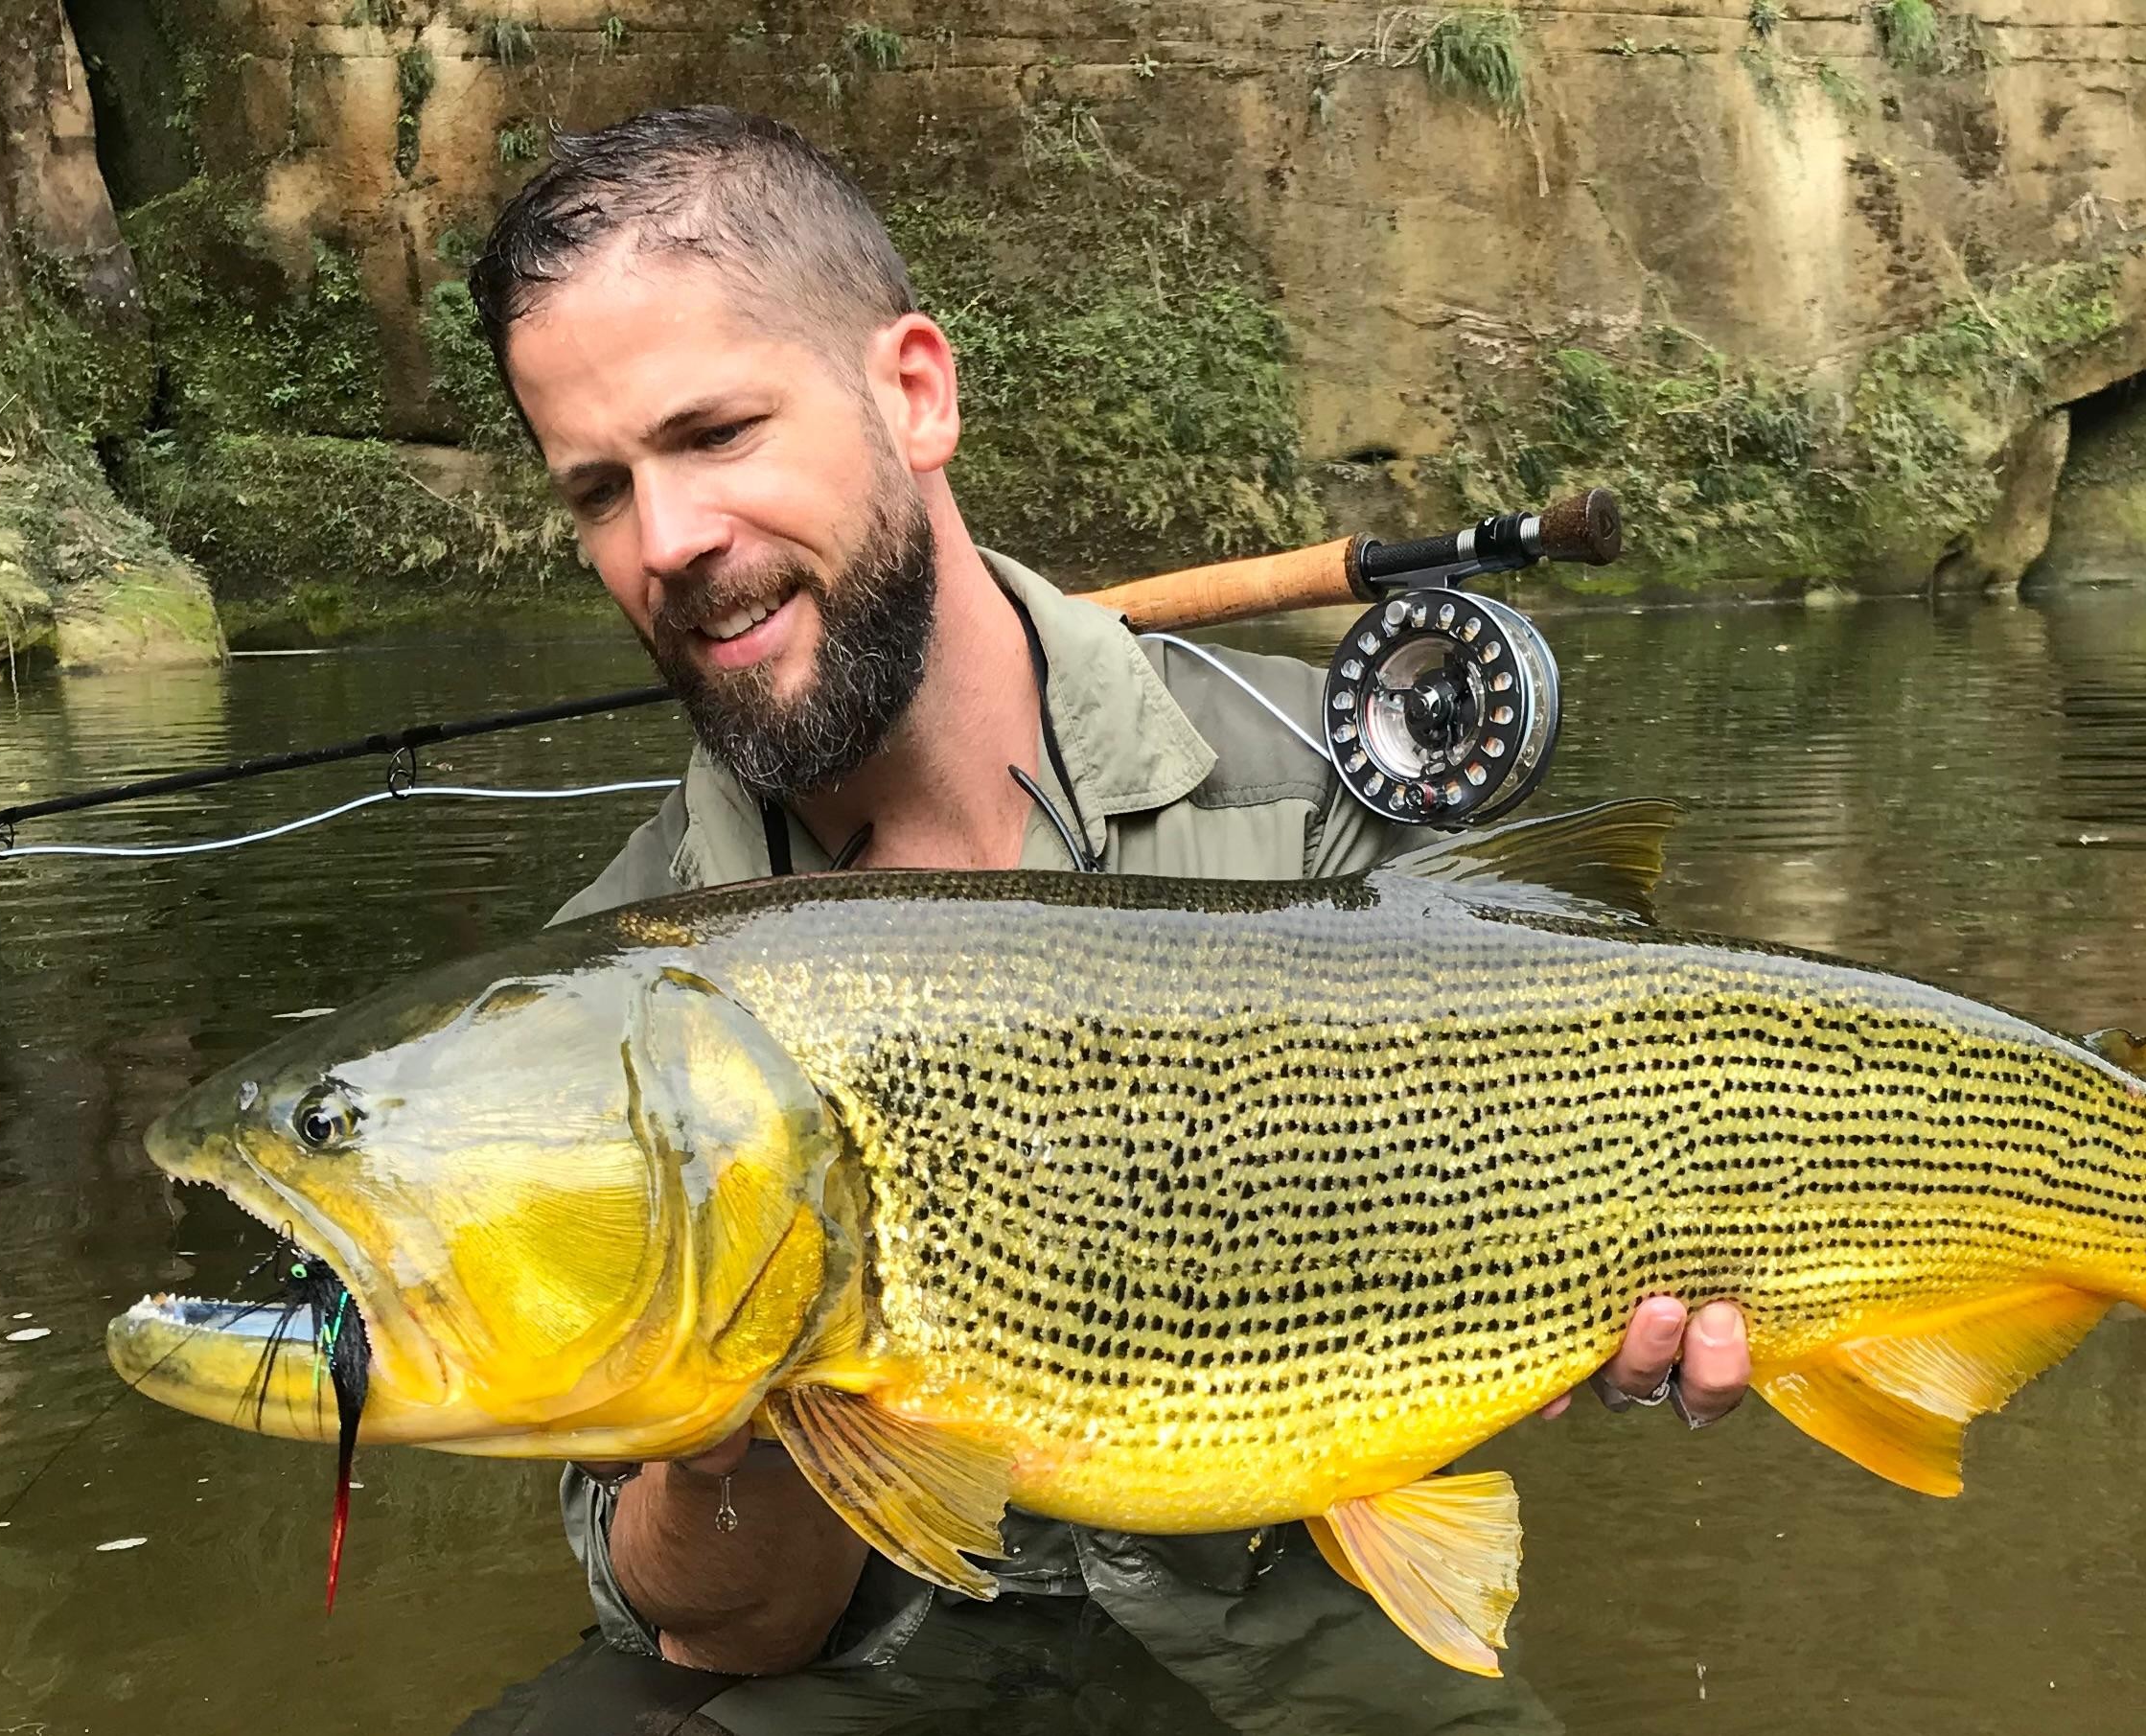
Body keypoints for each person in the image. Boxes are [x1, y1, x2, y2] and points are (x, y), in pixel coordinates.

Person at [451, 104, 1753, 1736]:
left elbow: (1540, 1206)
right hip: (869, 1672)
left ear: (912, 393)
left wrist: (1631, 1297)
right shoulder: (611, 985)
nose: (666, 542)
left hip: (1295, 1643)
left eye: (715, 435)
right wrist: (743, 1406)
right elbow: (717, 1632)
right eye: (596, 491)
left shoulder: (1318, 791)